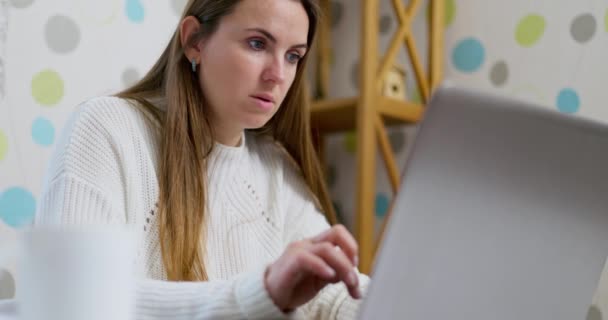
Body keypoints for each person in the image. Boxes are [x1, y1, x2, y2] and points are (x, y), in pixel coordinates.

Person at [35, 0, 369, 318]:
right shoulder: (107, 127)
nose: (278, 75)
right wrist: (259, 294)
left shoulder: (275, 166)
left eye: (293, 56)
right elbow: (73, 296)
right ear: (195, 40)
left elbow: (335, 297)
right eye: (257, 44)